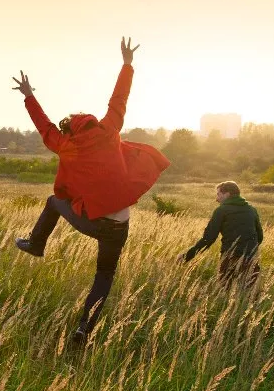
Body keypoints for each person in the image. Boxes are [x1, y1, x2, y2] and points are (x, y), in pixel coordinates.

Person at [11, 37, 171, 345]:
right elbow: (118, 100)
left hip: (90, 221)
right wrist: (127, 64)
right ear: (92, 123)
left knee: (53, 201)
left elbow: (44, 126)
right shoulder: (109, 130)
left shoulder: (65, 145)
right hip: (118, 226)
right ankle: (84, 328)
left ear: (70, 129)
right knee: (104, 277)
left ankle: (35, 244)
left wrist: (29, 96)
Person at [179, 181, 263, 289]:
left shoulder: (221, 210)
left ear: (227, 194)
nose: (217, 199)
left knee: (224, 293)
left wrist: (187, 256)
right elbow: (259, 237)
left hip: (230, 257)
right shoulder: (252, 210)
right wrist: (248, 250)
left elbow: (209, 239)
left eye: (218, 194)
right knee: (250, 297)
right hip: (251, 259)